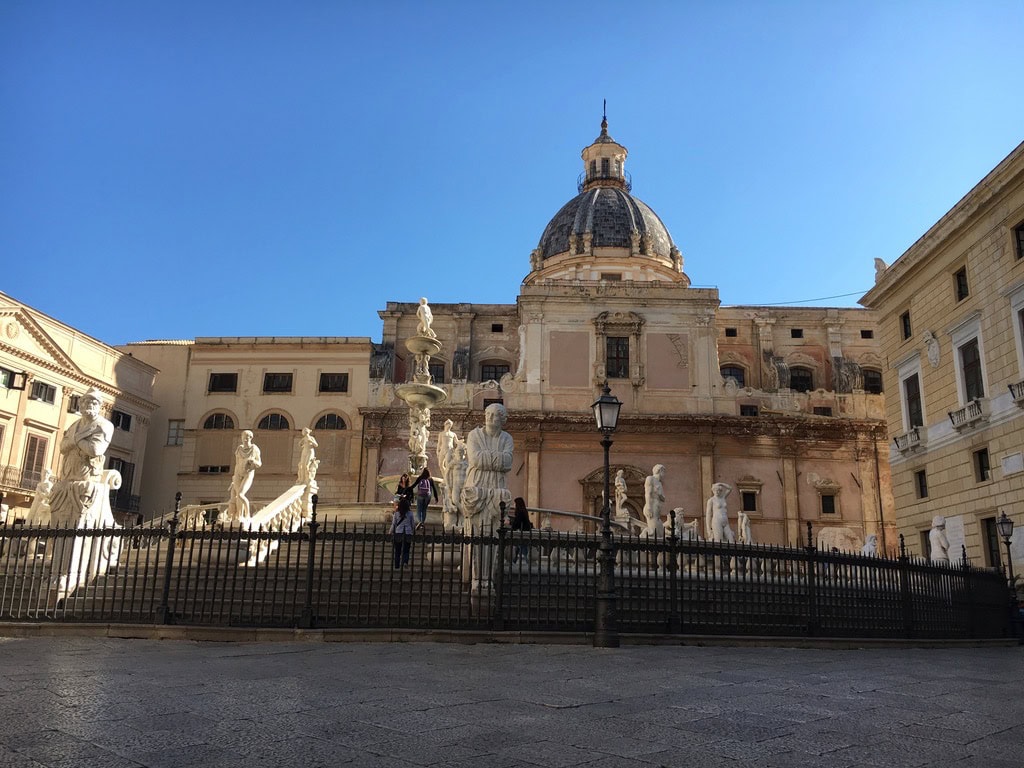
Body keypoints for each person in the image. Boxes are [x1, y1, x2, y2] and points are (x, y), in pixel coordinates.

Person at [49, 389, 115, 527]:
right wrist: (79, 440)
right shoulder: (74, 425)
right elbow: (62, 447)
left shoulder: (105, 425)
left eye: (93, 402)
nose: (88, 404)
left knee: (81, 517)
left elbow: (95, 449)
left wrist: (76, 440)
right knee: (57, 504)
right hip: (68, 475)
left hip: (87, 475)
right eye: (85, 401)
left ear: (99, 405)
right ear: (80, 404)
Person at [461, 403, 514, 533]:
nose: (489, 417)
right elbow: (474, 459)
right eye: (487, 414)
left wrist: (484, 456)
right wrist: (497, 459)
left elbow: (508, 462)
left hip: (497, 487)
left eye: (494, 414)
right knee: (473, 531)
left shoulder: (507, 438)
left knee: (495, 530)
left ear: (502, 419)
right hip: (476, 485)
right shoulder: (474, 435)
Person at [226, 430, 262, 522]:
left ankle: (247, 515)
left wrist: (253, 462)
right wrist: (234, 477)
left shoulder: (254, 449)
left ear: (251, 438)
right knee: (238, 496)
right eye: (243, 436)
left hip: (248, 473)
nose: (245, 438)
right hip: (238, 473)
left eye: (247, 436)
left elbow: (259, 463)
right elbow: (237, 464)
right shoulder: (239, 449)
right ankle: (239, 516)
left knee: (241, 494)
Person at [389, 497, 415, 568]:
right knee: (406, 549)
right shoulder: (410, 514)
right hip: (408, 533)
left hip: (398, 532)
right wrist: (412, 530)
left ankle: (397, 564)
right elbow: (412, 524)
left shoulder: (396, 514)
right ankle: (405, 561)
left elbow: (394, 524)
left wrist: (390, 532)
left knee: (397, 550)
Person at [642, 465, 666, 537]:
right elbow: (647, 493)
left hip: (657, 508)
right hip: (651, 507)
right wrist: (649, 507)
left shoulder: (660, 483)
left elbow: (663, 498)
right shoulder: (650, 479)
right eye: (663, 471)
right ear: (659, 471)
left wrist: (659, 493)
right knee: (654, 531)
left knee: (660, 533)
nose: (664, 474)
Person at [510, 496, 532, 564]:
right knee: (518, 547)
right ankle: (514, 560)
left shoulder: (520, 512)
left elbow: (517, 522)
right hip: (525, 531)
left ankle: (527, 562)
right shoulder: (524, 511)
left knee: (522, 547)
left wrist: (511, 524)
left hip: (523, 532)